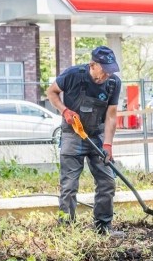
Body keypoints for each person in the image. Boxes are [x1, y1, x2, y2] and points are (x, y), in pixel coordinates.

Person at [47, 46, 122, 236]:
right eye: (104, 70)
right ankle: (66, 230)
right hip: (73, 134)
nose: (107, 75)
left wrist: (107, 145)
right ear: (92, 65)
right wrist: (64, 110)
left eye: (110, 70)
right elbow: (51, 92)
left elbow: (111, 116)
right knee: (69, 185)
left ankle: (103, 227)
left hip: (96, 135)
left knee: (107, 181)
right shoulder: (73, 75)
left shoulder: (113, 82)